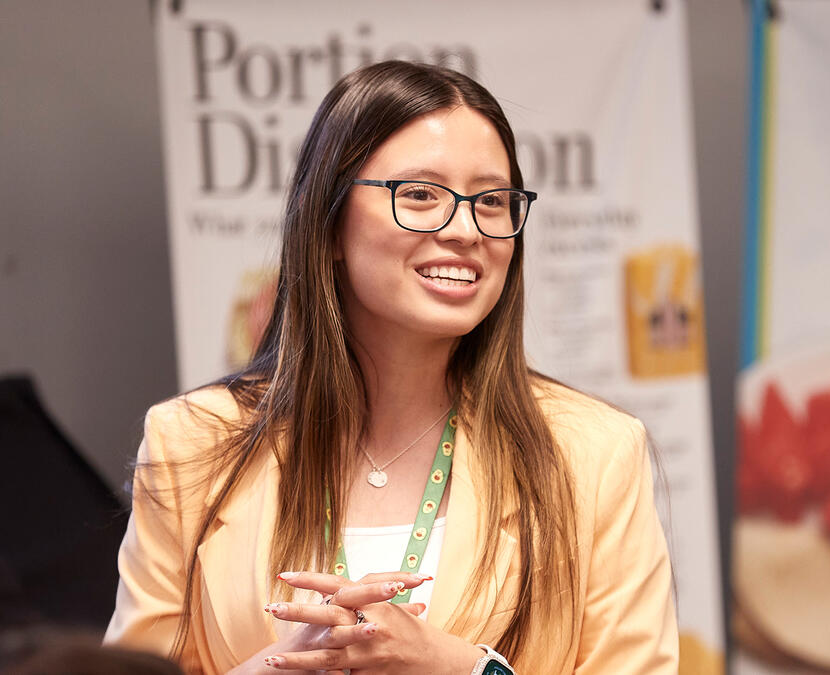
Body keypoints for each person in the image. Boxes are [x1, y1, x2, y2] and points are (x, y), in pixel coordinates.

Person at [105, 60, 678, 674]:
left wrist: (466, 670)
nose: (466, 230)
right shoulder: (191, 441)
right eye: (420, 195)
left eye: (492, 201)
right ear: (328, 222)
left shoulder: (595, 453)